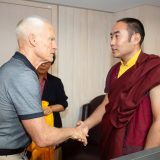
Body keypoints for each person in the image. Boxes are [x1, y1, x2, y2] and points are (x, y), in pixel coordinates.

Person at [0, 16, 87, 160]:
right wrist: (74, 131)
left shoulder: (13, 68)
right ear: (33, 40)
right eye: (51, 39)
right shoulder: (23, 74)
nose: (55, 46)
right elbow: (43, 137)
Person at [78, 17, 160, 160]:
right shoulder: (114, 71)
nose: (111, 42)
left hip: (139, 147)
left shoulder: (153, 68)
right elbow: (106, 103)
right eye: (111, 37)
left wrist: (147, 156)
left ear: (135, 38)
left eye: (117, 36)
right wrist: (86, 124)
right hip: (112, 141)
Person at [28, 54, 68, 160]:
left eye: (47, 61)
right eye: (41, 60)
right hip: (29, 129)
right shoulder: (26, 80)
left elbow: (63, 104)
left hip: (52, 128)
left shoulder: (56, 82)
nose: (44, 64)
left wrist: (50, 109)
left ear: (51, 63)